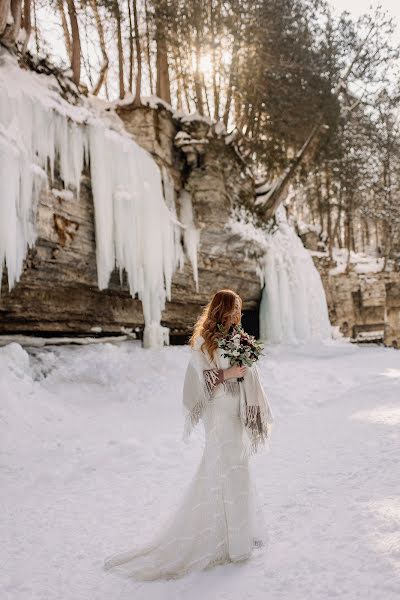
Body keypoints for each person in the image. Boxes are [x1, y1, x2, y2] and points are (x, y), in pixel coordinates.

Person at [104, 289, 273, 580]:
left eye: (240, 311)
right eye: (234, 310)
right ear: (222, 310)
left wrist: (245, 368)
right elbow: (205, 380)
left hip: (236, 410)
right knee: (224, 468)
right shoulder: (201, 342)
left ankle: (238, 539)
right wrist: (232, 373)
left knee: (238, 469)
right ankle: (224, 542)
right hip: (218, 413)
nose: (238, 316)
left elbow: (246, 371)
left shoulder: (237, 337)